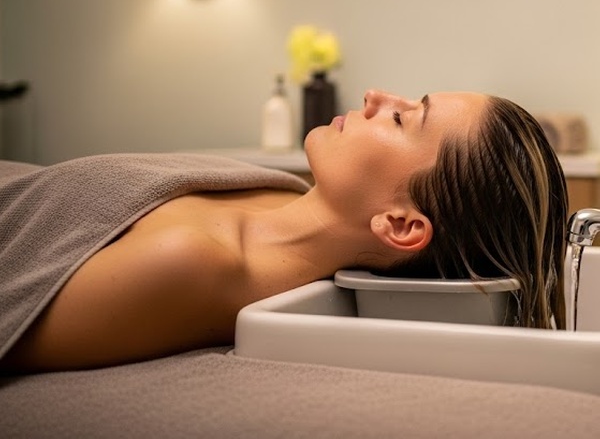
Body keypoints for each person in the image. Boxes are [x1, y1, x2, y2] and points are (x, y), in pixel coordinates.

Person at [0, 89, 567, 373]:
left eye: (401, 118)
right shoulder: (282, 192)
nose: (375, 97)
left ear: (400, 225)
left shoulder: (193, 262)